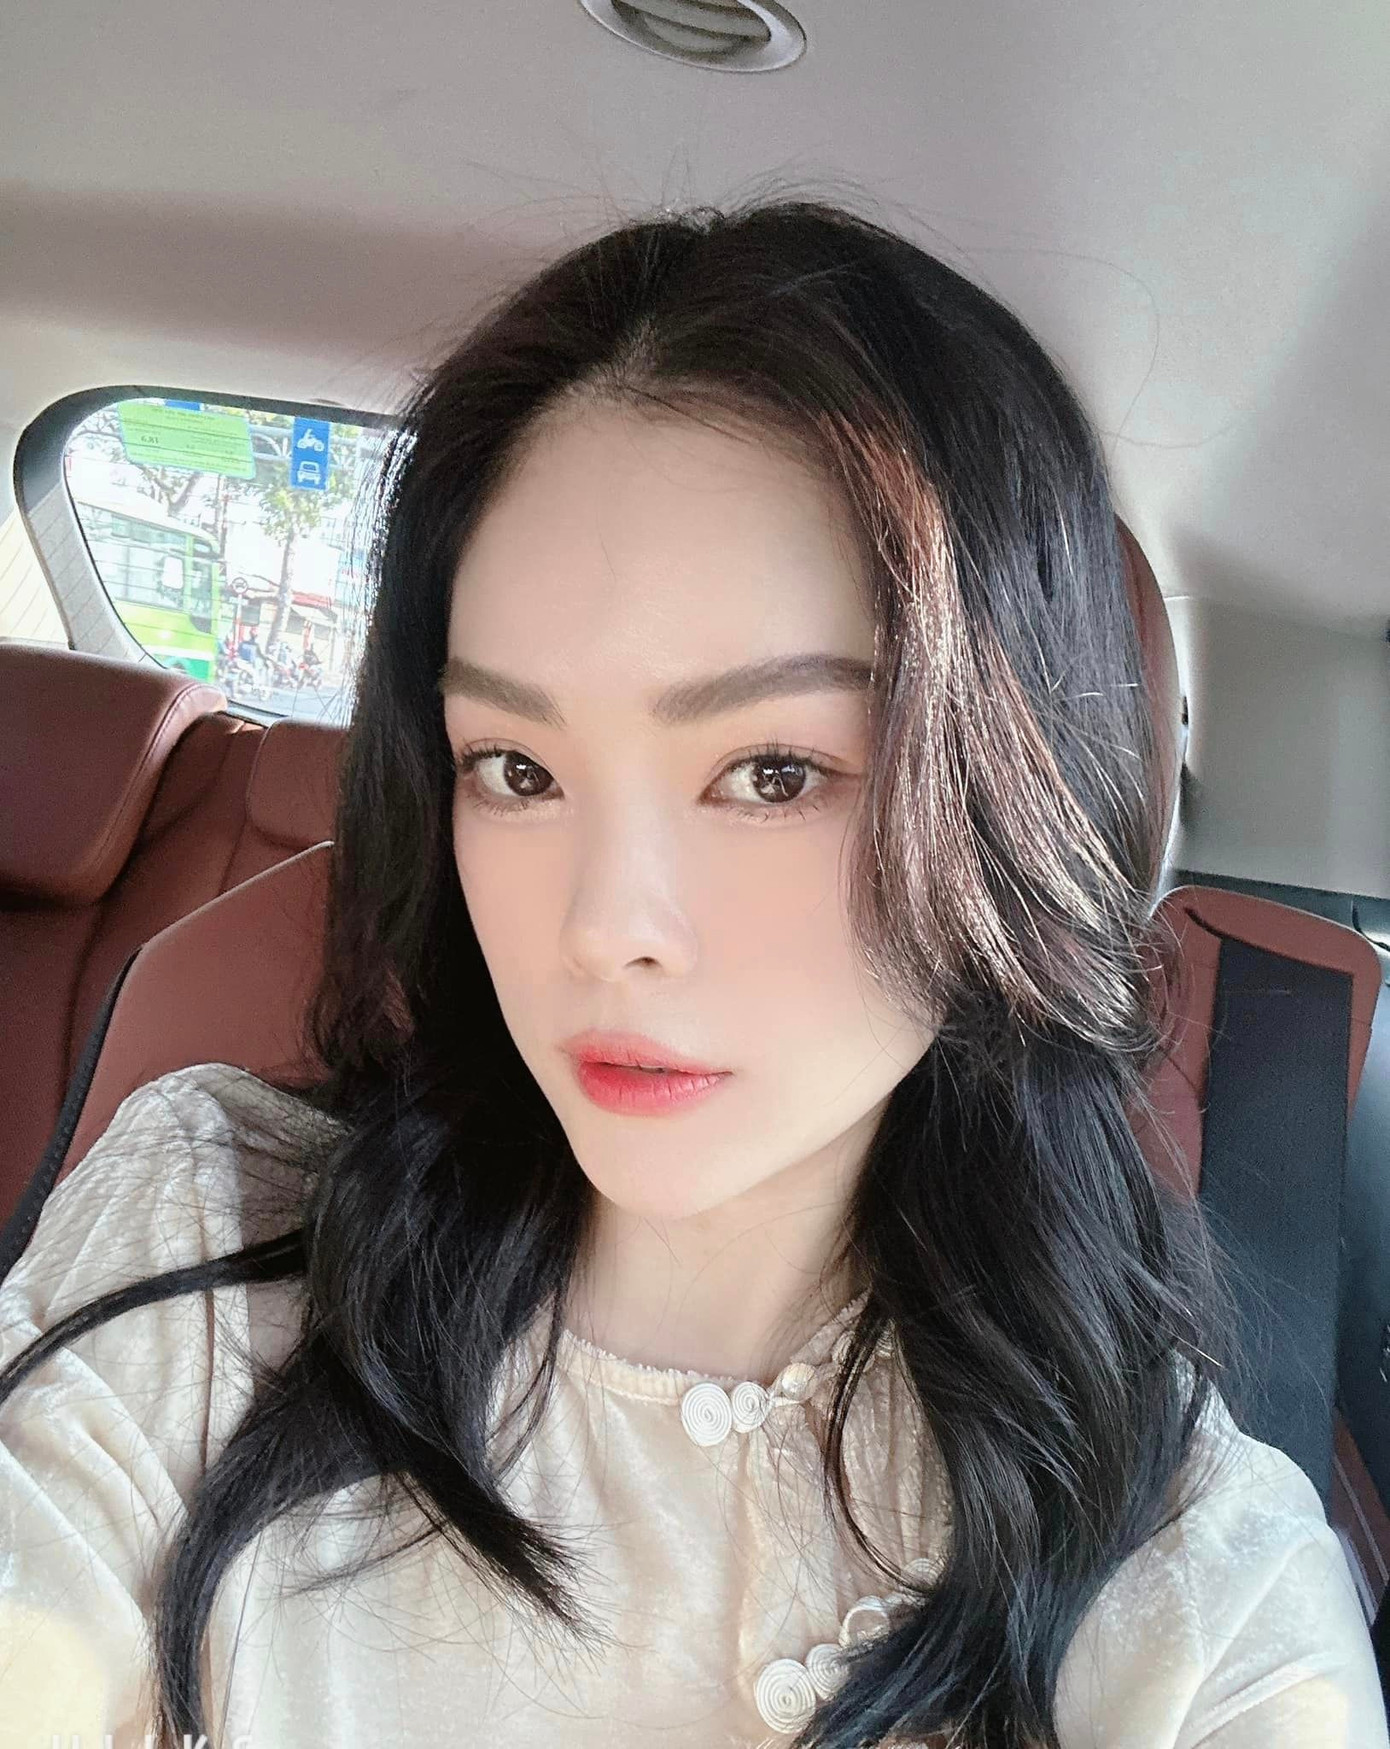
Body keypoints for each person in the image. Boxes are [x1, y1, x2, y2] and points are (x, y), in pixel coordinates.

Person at [0, 195, 1381, 1749]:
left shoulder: (1194, 1592)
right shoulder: (209, 1249)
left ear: (1010, 797)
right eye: (516, 767)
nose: (605, 926)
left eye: (773, 771)